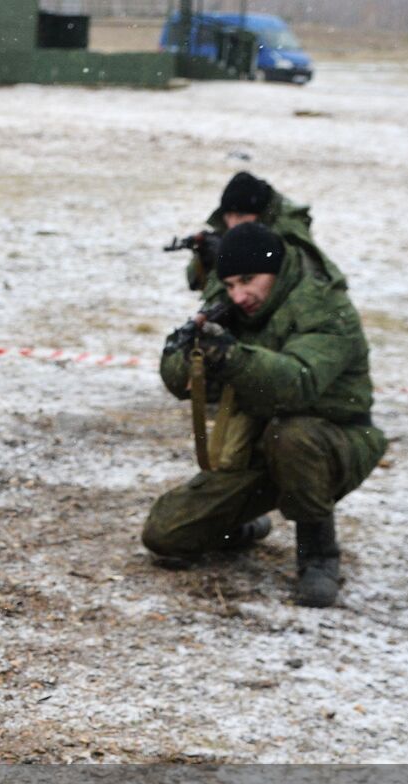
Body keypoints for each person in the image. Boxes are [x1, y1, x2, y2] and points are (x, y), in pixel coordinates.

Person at [143, 223, 387, 608]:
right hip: (259, 444)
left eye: (248, 280)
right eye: (231, 285)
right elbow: (181, 386)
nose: (239, 295)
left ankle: (318, 554)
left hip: (336, 441)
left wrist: (232, 356)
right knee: (166, 535)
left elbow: (298, 382)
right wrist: (186, 351)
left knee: (293, 436)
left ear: (276, 270)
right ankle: (242, 527)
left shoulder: (324, 307)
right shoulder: (232, 306)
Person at [184, 171, 344, 298]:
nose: (232, 224)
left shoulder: (288, 235)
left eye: (240, 216)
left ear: (258, 214)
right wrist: (204, 259)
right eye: (228, 216)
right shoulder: (228, 232)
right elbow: (197, 284)